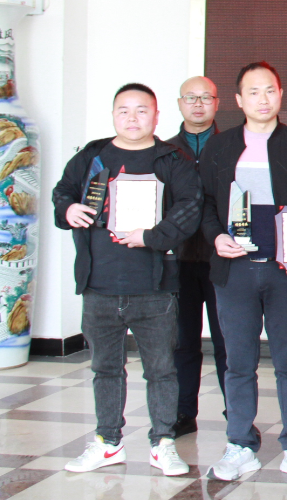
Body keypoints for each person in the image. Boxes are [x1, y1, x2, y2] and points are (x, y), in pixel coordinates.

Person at [53, 83, 202, 476]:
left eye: (141, 110)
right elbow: (62, 192)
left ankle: (163, 443)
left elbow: (191, 207)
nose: (132, 118)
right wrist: (67, 210)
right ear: (113, 115)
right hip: (99, 284)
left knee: (161, 369)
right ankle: (108, 443)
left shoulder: (173, 160)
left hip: (154, 287)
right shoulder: (92, 156)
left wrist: (151, 237)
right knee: (105, 368)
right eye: (124, 110)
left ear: (156, 115)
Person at [198, 62, 287, 483]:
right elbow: (204, 204)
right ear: (238, 100)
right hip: (234, 271)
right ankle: (239, 443)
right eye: (253, 92)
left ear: (280, 94)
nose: (263, 99)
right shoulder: (219, 147)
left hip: (284, 271)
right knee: (238, 361)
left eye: (270, 90)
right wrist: (216, 236)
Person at [167, 75, 225, 439]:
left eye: (206, 97)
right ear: (180, 104)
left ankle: (237, 411)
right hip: (178, 260)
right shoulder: (164, 150)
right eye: (191, 97)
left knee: (228, 342)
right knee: (182, 342)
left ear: (218, 103)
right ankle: (183, 412)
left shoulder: (231, 145)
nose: (199, 104)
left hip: (223, 258)